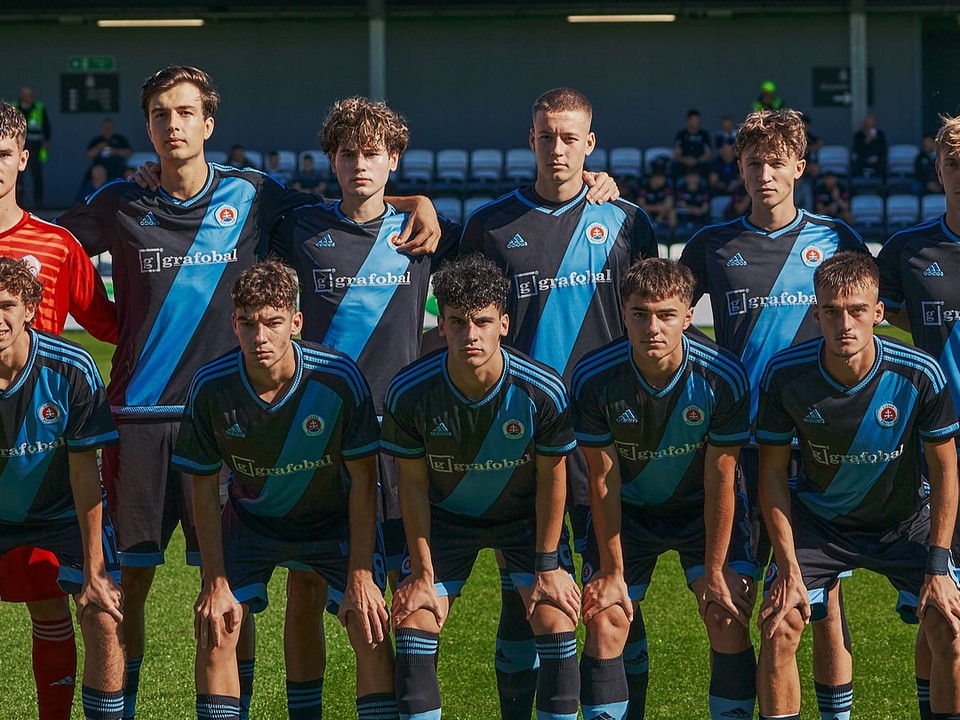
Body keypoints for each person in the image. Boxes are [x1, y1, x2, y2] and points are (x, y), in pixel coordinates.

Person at [57, 65, 441, 720]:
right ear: (147, 126)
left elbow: (354, 206)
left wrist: (416, 202)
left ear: (208, 124)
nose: (172, 124)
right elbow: (52, 249)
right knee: (125, 593)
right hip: (139, 426)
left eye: (184, 112)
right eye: (159, 114)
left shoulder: (259, 197)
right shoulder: (121, 201)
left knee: (233, 591)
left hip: (235, 425)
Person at [460, 86, 656, 719]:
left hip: (607, 434)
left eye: (570, 137)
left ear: (590, 143)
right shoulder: (490, 226)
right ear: (531, 140)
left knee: (609, 592)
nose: (558, 148)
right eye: (546, 136)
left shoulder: (627, 221)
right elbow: (471, 325)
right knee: (524, 595)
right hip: (517, 436)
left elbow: (653, 319)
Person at [680, 108, 869, 720]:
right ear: (738, 167)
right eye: (753, 162)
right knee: (736, 598)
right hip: (737, 447)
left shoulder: (835, 238)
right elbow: (669, 312)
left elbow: (868, 316)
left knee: (823, 605)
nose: (765, 174)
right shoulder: (712, 246)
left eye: (776, 163)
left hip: (815, 447)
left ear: (799, 167)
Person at [172, 259, 395, 720]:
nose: (260, 338)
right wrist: (214, 581)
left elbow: (363, 481)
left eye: (273, 323)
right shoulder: (211, 387)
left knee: (369, 623)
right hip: (253, 521)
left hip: (332, 520)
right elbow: (202, 487)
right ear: (234, 323)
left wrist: (360, 575)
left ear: (296, 322)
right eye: (248, 324)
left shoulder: (337, 377)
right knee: (217, 624)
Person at [755, 251, 960, 720]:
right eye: (831, 310)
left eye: (857, 310)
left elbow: (946, 469)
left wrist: (938, 564)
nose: (843, 323)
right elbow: (771, 473)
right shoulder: (786, 375)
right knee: (779, 624)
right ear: (815, 312)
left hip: (904, 520)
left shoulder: (919, 372)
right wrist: (787, 568)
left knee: (948, 622)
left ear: (879, 312)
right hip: (820, 525)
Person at [382, 253, 581, 720]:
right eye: (457, 322)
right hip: (446, 522)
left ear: (504, 323)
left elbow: (555, 482)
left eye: (482, 322)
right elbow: (409, 487)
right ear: (441, 325)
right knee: (413, 623)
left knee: (556, 621)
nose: (470, 335)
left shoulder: (542, 391)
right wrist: (423, 575)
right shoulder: (410, 392)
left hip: (523, 523)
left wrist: (548, 566)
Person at [572, 257, 757, 720]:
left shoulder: (723, 375)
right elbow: (603, 477)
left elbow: (721, 477)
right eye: (640, 314)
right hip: (630, 513)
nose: (652, 327)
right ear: (623, 313)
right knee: (606, 619)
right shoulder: (594, 377)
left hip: (702, 511)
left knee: (726, 616)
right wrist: (612, 571)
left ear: (689, 316)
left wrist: (715, 571)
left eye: (666, 314)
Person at [0, 99, 118, 720]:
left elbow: (110, 325)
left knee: (53, 605)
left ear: (23, 159)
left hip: (43, 463)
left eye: (1, 155)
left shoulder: (54, 244)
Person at [877, 115, 960, 718]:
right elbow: (885, 314)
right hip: (938, 450)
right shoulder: (909, 251)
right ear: (938, 170)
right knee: (941, 609)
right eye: (954, 164)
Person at [15, 86, 50, 209]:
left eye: (30, 94)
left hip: (35, 147)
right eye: (25, 94)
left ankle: (39, 204)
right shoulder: (15, 107)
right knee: (18, 177)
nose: (28, 97)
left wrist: (46, 142)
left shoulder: (39, 107)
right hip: (18, 146)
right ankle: (18, 204)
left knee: (37, 175)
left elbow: (46, 126)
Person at [672, 109, 712, 179]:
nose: (696, 122)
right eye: (694, 120)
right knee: (675, 168)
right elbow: (676, 153)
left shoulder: (704, 135)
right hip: (684, 163)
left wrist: (697, 160)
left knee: (709, 168)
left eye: (698, 120)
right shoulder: (681, 134)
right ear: (688, 120)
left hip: (699, 163)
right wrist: (685, 160)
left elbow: (708, 153)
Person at [852, 115, 888, 179]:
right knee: (856, 164)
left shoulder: (880, 135)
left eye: (872, 125)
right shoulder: (859, 135)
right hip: (863, 159)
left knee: (883, 162)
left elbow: (883, 149)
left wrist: (877, 157)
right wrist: (866, 141)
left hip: (877, 159)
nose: (870, 127)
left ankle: (881, 184)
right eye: (868, 125)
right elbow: (856, 150)